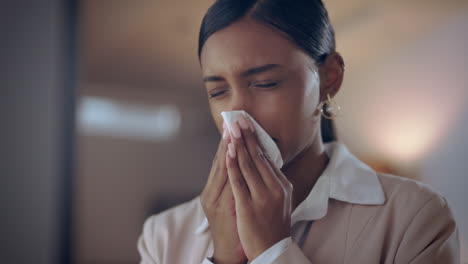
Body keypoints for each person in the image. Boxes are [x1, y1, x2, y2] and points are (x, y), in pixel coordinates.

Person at [137, 0, 460, 263]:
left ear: (329, 78)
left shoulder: (413, 218)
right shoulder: (164, 235)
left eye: (266, 83)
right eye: (218, 92)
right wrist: (223, 257)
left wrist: (272, 252)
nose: (238, 115)